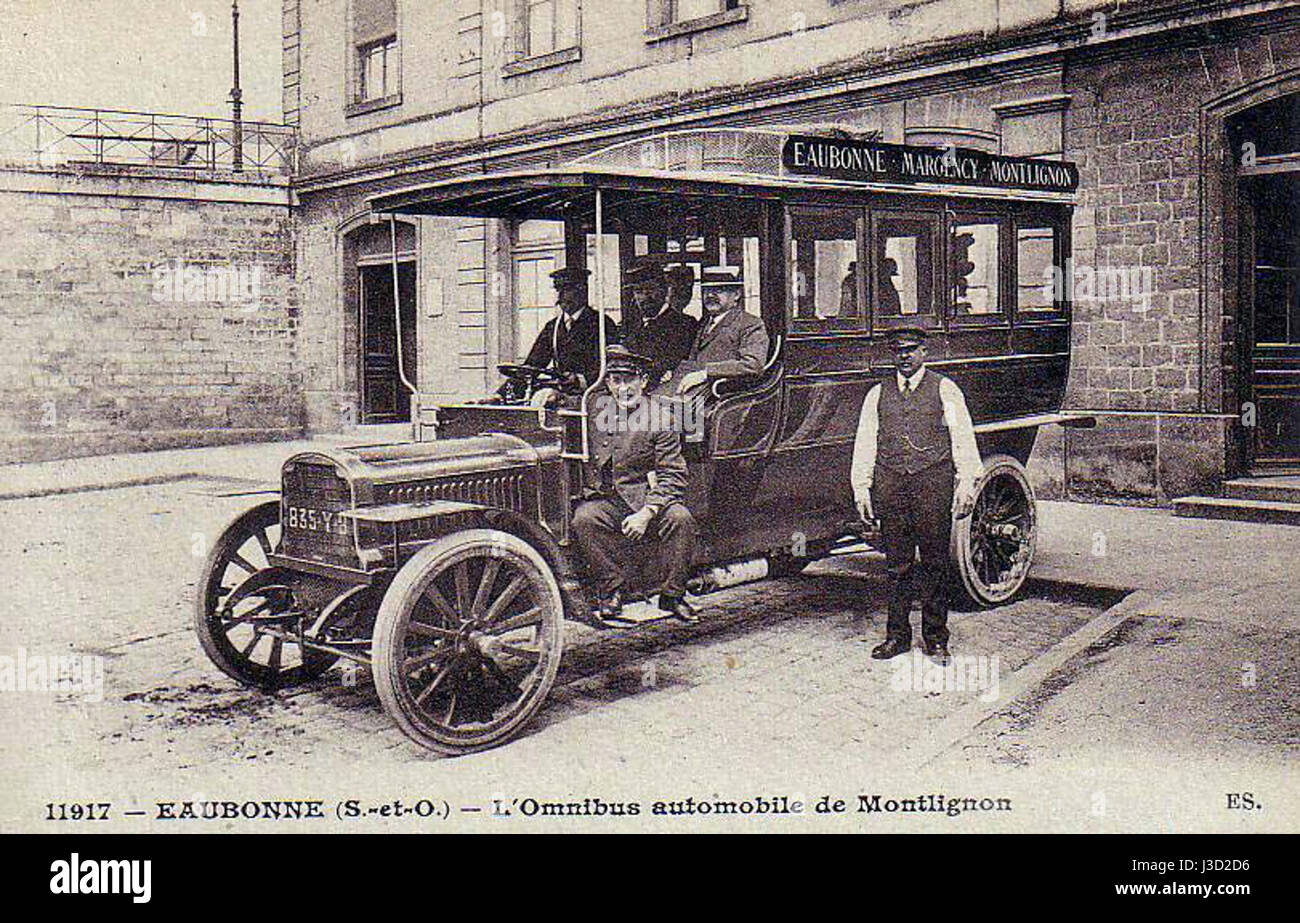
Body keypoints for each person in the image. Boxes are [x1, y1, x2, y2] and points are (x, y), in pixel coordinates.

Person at [850, 326, 982, 666]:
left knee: (935, 563)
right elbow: (866, 442)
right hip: (892, 486)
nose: (904, 356)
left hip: (932, 485)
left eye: (911, 350)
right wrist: (862, 487)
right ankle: (897, 637)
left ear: (924, 352)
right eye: (898, 351)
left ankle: (936, 639)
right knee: (896, 565)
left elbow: (962, 438)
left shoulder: (946, 390)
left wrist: (967, 482)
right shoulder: (877, 394)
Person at [572, 345, 700, 627]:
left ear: (642, 381)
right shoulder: (596, 407)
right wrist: (552, 394)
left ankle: (673, 595)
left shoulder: (660, 417)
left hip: (647, 497)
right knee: (584, 519)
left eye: (629, 380)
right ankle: (612, 589)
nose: (623, 388)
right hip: (609, 498)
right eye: (616, 381)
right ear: (607, 383)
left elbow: (673, 475)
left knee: (681, 519)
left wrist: (647, 513)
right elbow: (573, 402)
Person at [514, 266, 620, 399]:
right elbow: (532, 365)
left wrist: (580, 380)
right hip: (560, 397)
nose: (560, 297)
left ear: (581, 291)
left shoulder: (601, 323)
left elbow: (612, 366)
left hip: (594, 396)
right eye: (558, 290)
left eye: (566, 290)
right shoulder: (552, 327)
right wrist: (501, 394)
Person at [671, 266, 770, 395]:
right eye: (706, 290)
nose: (710, 295)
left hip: (722, 393)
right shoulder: (705, 322)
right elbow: (694, 359)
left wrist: (706, 373)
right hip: (693, 390)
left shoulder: (750, 324)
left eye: (719, 290)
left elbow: (752, 364)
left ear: (736, 294)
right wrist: (674, 373)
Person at [622, 260, 698, 387]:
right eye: (638, 291)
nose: (645, 297)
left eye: (650, 289)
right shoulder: (630, 325)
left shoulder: (685, 324)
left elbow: (675, 364)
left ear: (664, 291)